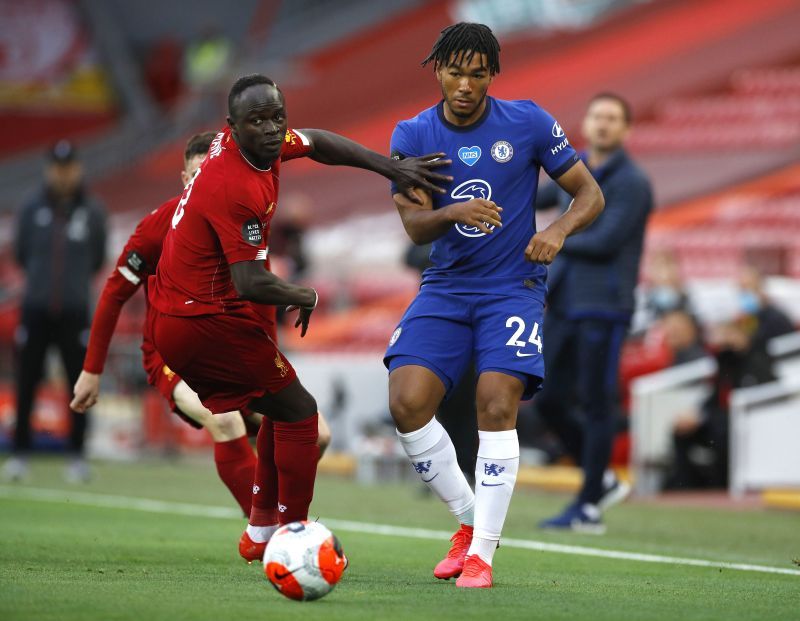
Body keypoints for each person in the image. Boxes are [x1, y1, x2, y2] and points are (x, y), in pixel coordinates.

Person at [146, 74, 451, 563]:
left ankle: (262, 530)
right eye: (258, 121)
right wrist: (304, 293)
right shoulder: (236, 185)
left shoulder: (250, 146)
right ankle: (292, 535)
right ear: (232, 127)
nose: (271, 129)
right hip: (204, 322)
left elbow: (319, 143)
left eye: (277, 117)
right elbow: (249, 282)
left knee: (279, 409)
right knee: (302, 415)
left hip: (189, 317)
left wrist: (392, 167)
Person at [384, 23, 604, 588]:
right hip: (446, 286)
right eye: (454, 72)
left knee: (495, 402)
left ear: (492, 76)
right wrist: (452, 214)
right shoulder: (412, 134)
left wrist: (556, 231)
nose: (464, 84)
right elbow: (413, 227)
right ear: (436, 70)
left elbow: (590, 194)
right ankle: (466, 521)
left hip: (513, 287)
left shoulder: (528, 121)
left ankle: (481, 554)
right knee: (408, 403)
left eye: (477, 74)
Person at [69, 133, 331, 517]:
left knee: (318, 435)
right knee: (223, 420)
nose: (200, 182)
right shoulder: (159, 227)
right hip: (174, 350)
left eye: (206, 172)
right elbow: (114, 293)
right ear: (183, 178)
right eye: (193, 175)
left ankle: (268, 516)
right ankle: (268, 529)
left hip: (234, 347)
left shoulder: (242, 219)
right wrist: (91, 371)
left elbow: (259, 303)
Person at [534, 93, 653, 533]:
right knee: (546, 398)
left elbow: (605, 241)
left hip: (604, 304)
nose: (603, 124)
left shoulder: (632, 182)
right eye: (597, 116)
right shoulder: (579, 167)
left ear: (626, 129)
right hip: (565, 302)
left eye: (613, 118)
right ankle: (600, 478)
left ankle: (588, 505)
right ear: (585, 123)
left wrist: (544, 238)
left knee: (597, 402)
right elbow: (535, 190)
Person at [3, 141, 107, 483]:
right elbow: (21, 253)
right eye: (58, 168)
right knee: (27, 381)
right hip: (35, 308)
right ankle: (19, 454)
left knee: (79, 383)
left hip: (75, 311)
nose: (63, 174)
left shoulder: (92, 211)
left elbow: (96, 257)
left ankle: (77, 455)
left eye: (69, 167)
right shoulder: (31, 208)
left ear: (77, 169)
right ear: (49, 169)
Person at [666, 320, 775, 489]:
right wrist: (696, 414)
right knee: (681, 431)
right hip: (719, 421)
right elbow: (714, 395)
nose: (726, 339)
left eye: (732, 334)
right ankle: (685, 484)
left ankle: (720, 486)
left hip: (748, 425)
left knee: (720, 430)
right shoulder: (724, 360)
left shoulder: (758, 360)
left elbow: (759, 394)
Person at [737, 264, 794, 351]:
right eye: (742, 289)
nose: (744, 294)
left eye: (748, 288)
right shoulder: (747, 316)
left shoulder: (776, 317)